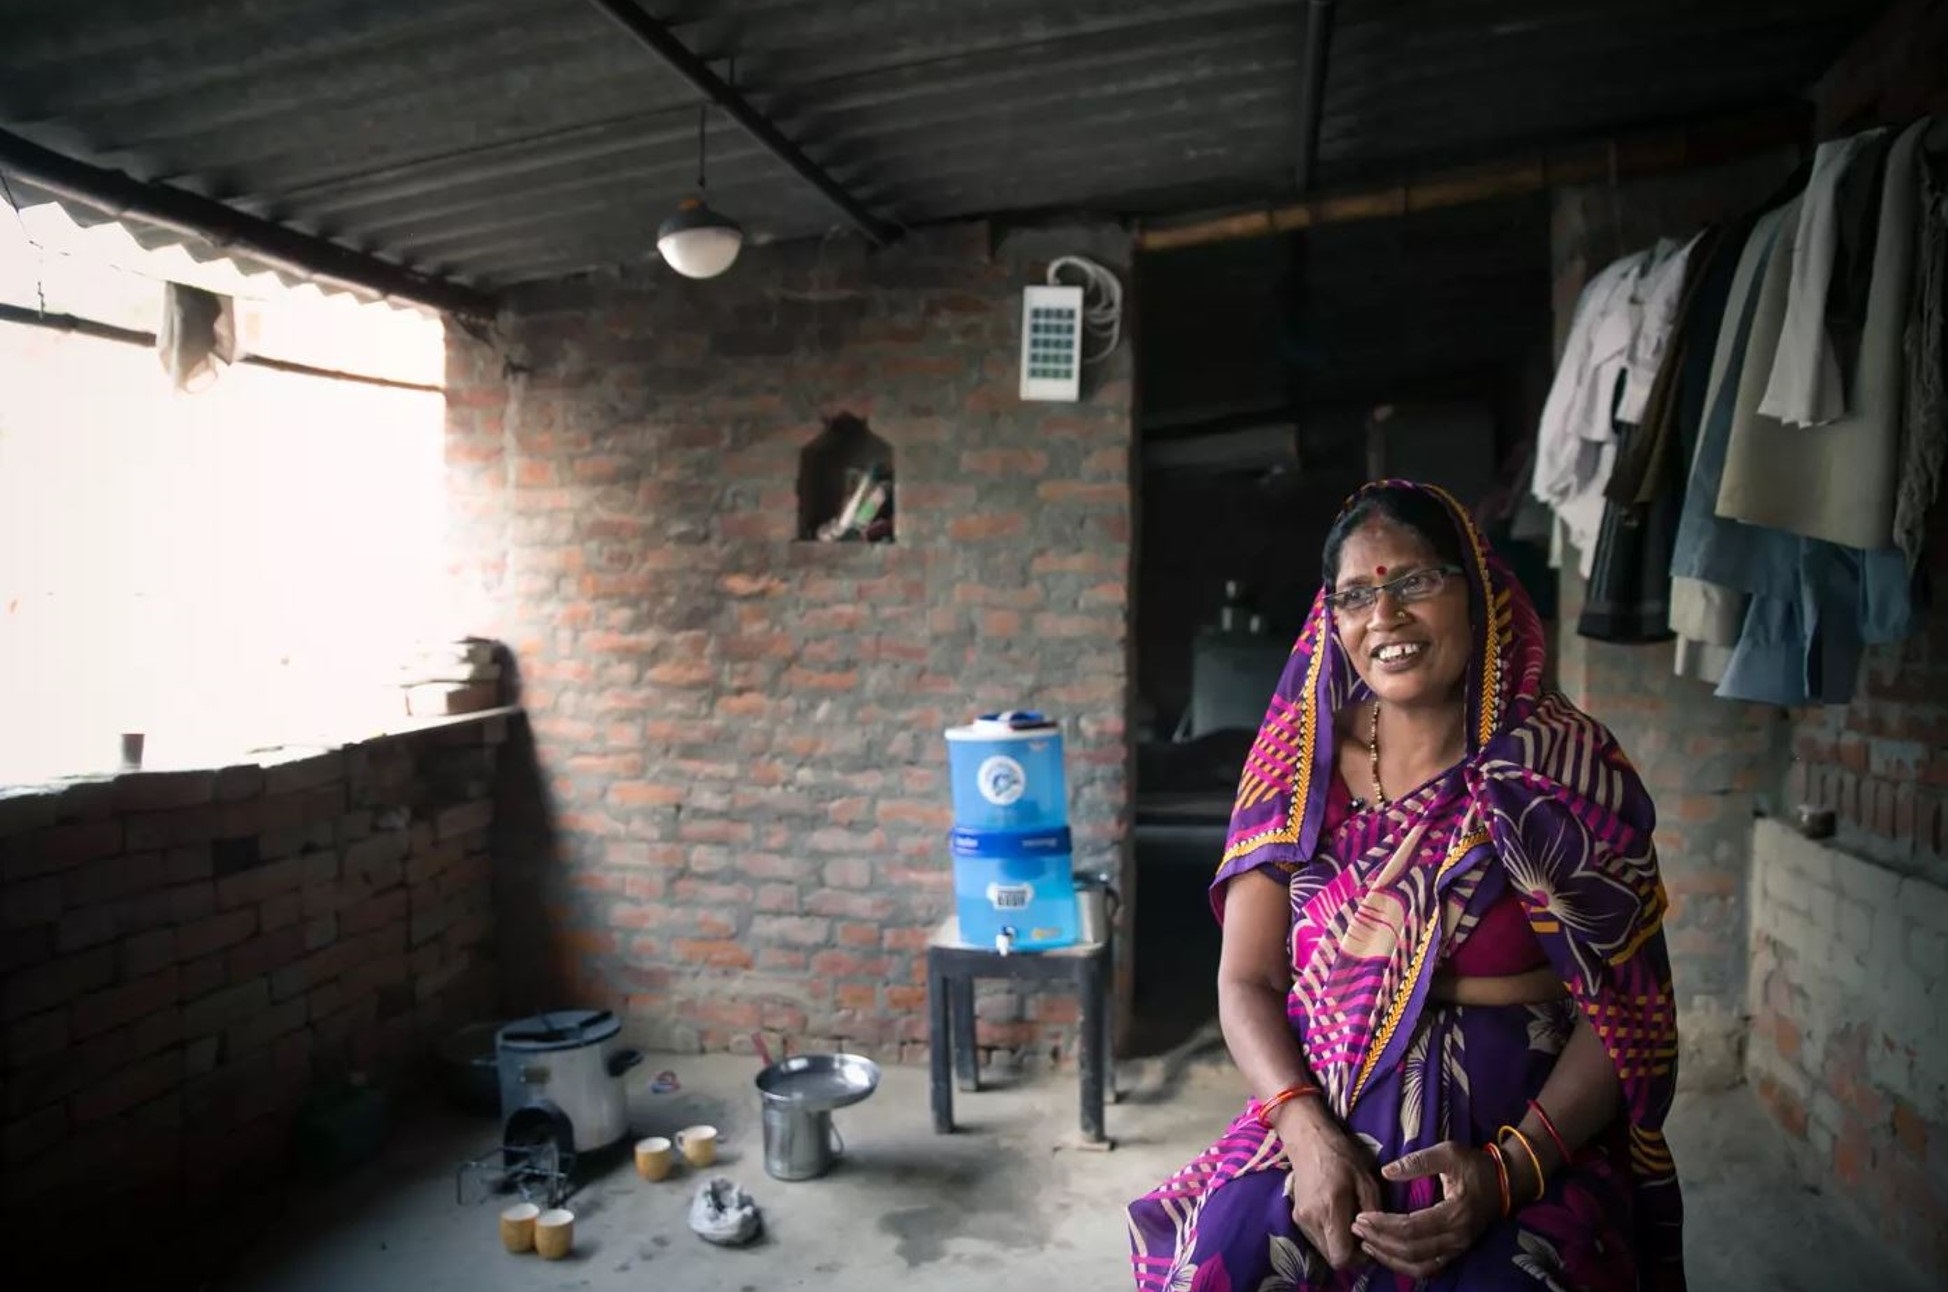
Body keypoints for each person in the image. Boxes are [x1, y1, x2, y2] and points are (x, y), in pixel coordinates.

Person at [1128, 480, 1685, 1292]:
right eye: (1355, 595)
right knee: (1228, 1263)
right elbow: (1245, 980)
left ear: (1478, 590)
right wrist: (1308, 1134)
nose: (1383, 617)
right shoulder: (1298, 767)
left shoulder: (1560, 768)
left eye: (1415, 582)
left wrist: (1510, 1172)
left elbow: (1625, 1012)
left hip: (1521, 1129)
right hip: (1322, 1117)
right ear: (1333, 621)